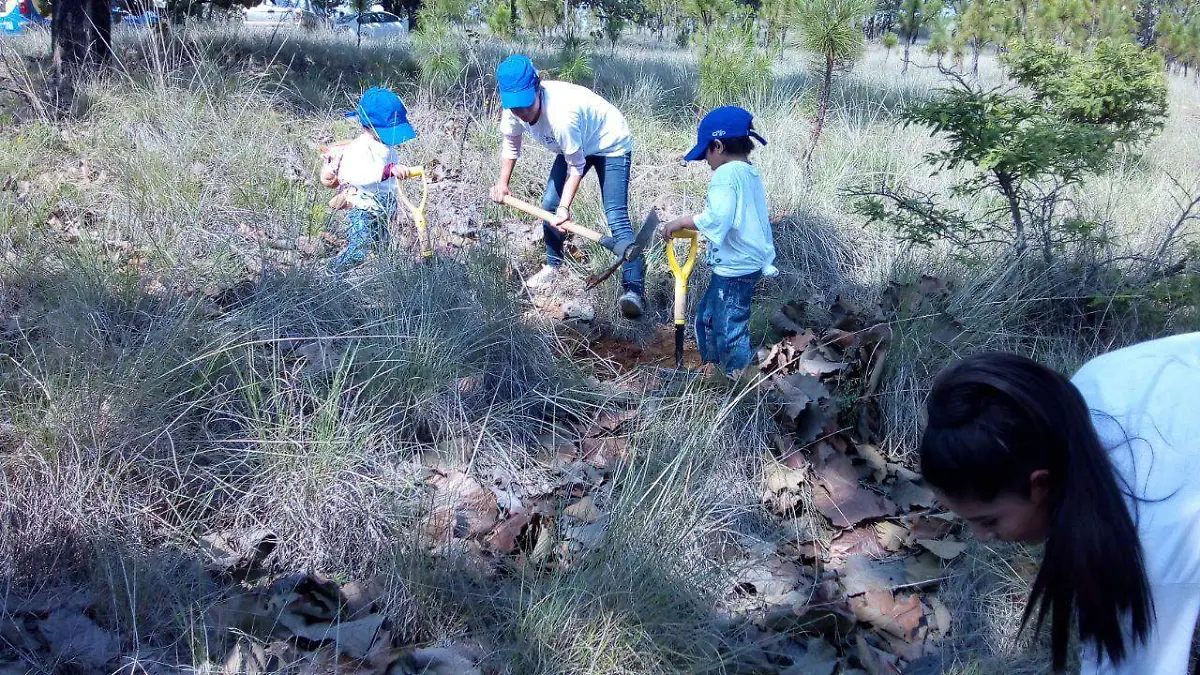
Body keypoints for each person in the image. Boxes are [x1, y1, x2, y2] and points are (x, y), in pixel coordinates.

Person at [919, 332, 1200, 673]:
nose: (980, 537)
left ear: (1041, 484)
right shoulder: (1083, 392)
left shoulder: (1152, 545)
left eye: (989, 520)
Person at [487, 54, 644, 318]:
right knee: (547, 204)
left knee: (616, 215)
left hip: (609, 142)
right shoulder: (513, 109)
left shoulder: (561, 115)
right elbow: (512, 144)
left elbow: (576, 166)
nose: (522, 113)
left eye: (526, 105)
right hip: (576, 145)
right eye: (516, 107)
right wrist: (502, 184)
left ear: (538, 87)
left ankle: (633, 290)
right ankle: (552, 265)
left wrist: (565, 208)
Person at [661, 106, 777, 377]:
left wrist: (680, 222)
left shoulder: (725, 175)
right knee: (708, 316)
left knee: (729, 327)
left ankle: (738, 380)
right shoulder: (749, 172)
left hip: (736, 268)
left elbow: (717, 218)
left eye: (706, 154)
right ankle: (712, 368)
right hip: (743, 263)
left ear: (718, 145)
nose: (706, 162)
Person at [322, 86, 418, 273]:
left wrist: (397, 175)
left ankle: (383, 275)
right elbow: (358, 175)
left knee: (382, 247)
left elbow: (389, 180)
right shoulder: (359, 148)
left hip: (383, 207)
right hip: (362, 208)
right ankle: (332, 271)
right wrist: (388, 171)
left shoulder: (386, 145)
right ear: (368, 126)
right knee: (360, 248)